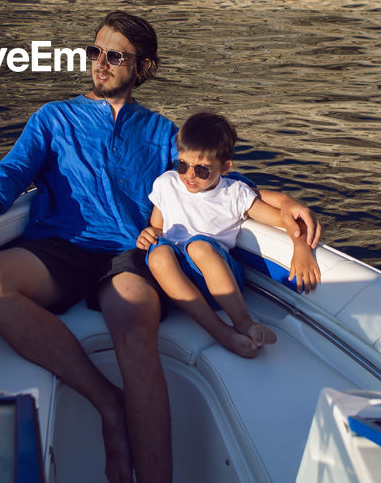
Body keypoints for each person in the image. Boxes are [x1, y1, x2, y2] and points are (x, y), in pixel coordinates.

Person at [0, 11, 321, 483]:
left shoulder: (162, 133)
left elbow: (218, 181)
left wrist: (287, 206)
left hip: (127, 253)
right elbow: (11, 172)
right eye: (94, 52)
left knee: (137, 336)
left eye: (114, 55)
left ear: (143, 68)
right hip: (60, 246)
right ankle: (108, 404)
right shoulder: (54, 118)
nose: (100, 63)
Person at [137, 110, 321, 360]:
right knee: (158, 254)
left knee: (198, 247)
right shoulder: (166, 183)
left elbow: (288, 219)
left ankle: (244, 324)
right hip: (177, 284)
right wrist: (150, 234)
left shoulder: (235, 194)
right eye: (183, 165)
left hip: (215, 276)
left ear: (224, 168)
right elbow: (157, 227)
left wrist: (301, 247)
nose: (189, 175)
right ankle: (221, 332)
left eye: (201, 170)